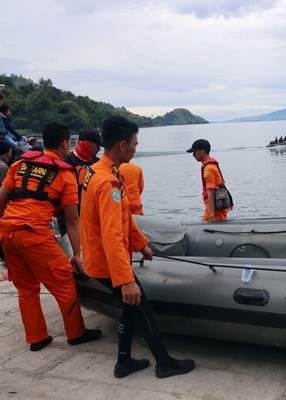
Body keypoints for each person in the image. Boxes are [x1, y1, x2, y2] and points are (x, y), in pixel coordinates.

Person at [80, 115, 195, 379]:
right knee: (142, 308)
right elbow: (111, 234)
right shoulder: (108, 183)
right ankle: (164, 363)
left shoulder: (97, 172)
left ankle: (124, 362)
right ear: (122, 145)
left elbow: (123, 219)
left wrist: (140, 244)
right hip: (109, 264)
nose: (135, 147)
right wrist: (125, 280)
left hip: (101, 259)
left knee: (131, 309)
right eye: (134, 143)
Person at [0, 122, 101, 351]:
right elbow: (73, 220)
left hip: (7, 232)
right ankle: (76, 333)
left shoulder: (19, 164)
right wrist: (77, 254)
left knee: (26, 288)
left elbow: (2, 198)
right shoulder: (65, 175)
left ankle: (37, 338)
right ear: (66, 143)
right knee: (65, 281)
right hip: (34, 233)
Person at [187, 139, 231, 221]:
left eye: (194, 152)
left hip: (214, 210)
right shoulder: (211, 165)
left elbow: (210, 192)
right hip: (217, 208)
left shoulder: (208, 169)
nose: (193, 155)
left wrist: (211, 216)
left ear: (202, 152)